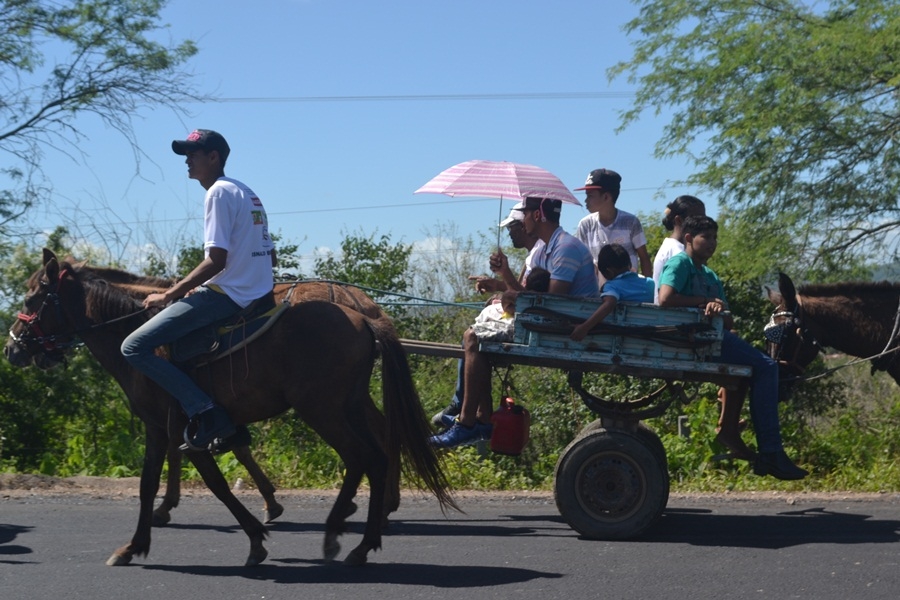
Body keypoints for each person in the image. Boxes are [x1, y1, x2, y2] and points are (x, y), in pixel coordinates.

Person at [121, 129, 276, 451]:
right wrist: (204, 285)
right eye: (186, 155)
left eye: (193, 154)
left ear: (213, 157)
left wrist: (169, 294)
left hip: (231, 294)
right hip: (255, 289)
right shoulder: (246, 191)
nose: (188, 161)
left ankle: (207, 414)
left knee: (133, 347)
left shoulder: (218, 193)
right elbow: (269, 254)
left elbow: (216, 260)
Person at [431, 197, 599, 448]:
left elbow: (552, 301)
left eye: (526, 213)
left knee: (473, 337)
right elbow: (530, 293)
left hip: (563, 327)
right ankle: (482, 418)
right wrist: (502, 281)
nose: (523, 219)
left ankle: (466, 423)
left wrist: (508, 287)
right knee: (478, 334)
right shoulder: (544, 248)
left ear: (538, 215)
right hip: (547, 320)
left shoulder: (565, 248)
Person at [658, 215, 807, 480]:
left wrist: (718, 309)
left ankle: (730, 430)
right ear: (690, 239)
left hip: (715, 336)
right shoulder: (680, 263)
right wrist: (705, 301)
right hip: (691, 338)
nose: (713, 243)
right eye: (707, 238)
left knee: (759, 365)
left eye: (715, 238)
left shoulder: (710, 274)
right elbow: (665, 298)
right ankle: (771, 451)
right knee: (767, 367)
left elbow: (728, 319)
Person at [433, 203, 541, 428]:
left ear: (523, 225)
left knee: (473, 336)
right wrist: (497, 285)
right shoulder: (534, 255)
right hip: (522, 316)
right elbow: (519, 289)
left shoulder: (539, 253)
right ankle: (476, 409)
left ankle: (466, 413)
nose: (509, 233)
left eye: (512, 227)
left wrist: (504, 277)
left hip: (528, 323)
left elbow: (525, 297)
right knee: (475, 331)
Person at [573, 168, 652, 284]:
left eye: (590, 196)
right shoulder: (585, 225)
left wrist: (647, 289)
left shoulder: (630, 222)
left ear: (606, 197)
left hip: (628, 293)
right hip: (597, 295)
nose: (586, 200)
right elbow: (580, 261)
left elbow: (644, 258)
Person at [570, 244, 655, 342]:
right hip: (648, 336)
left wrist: (585, 327)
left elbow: (610, 303)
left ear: (609, 272)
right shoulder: (650, 282)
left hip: (624, 337)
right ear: (630, 264)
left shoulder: (611, 286)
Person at [652, 195, 706, 304]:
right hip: (673, 318)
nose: (702, 224)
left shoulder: (680, 248)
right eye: (696, 219)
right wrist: (705, 300)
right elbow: (669, 297)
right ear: (679, 220)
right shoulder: (676, 252)